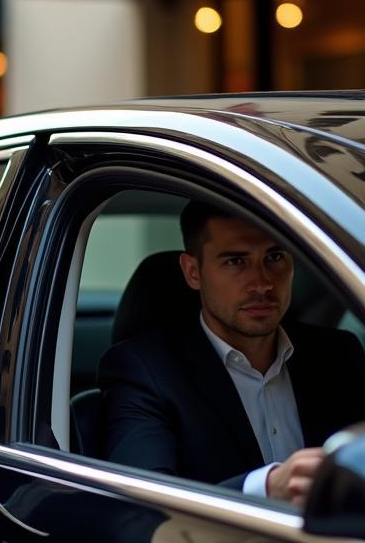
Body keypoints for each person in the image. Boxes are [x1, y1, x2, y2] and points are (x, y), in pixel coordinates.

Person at [100, 201, 363, 504]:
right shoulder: (143, 371)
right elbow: (141, 506)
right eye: (236, 261)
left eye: (275, 257)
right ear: (193, 272)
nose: (262, 283)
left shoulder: (338, 354)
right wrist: (266, 487)